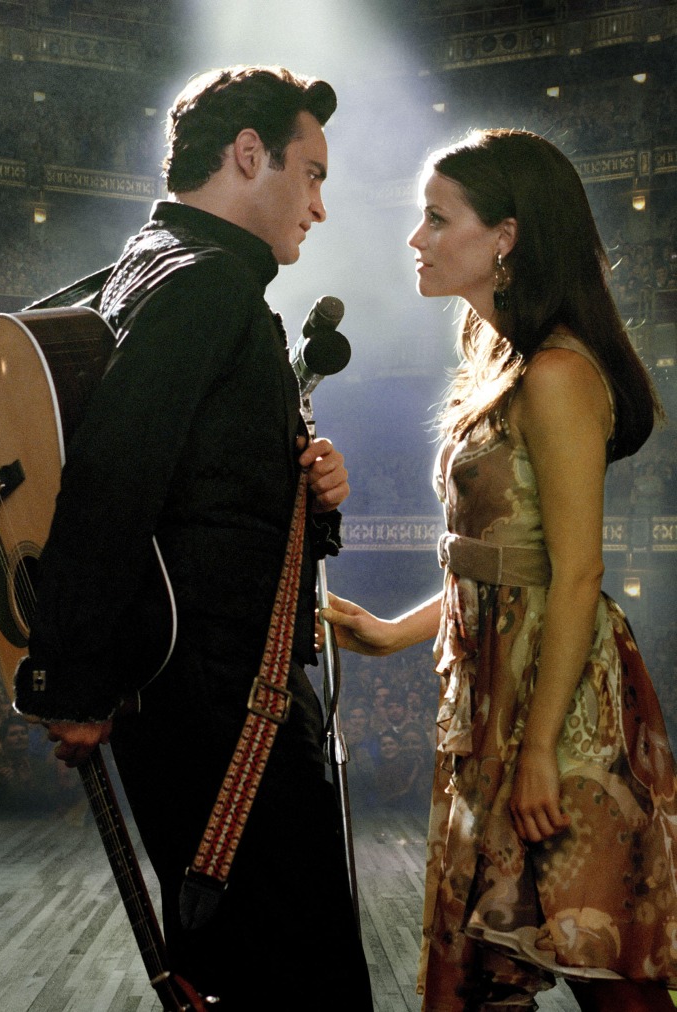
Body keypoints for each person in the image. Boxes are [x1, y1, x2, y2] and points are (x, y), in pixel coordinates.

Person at [14, 65, 372, 1011]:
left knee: (229, 968)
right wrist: (73, 680)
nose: (320, 206)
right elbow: (112, 478)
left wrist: (308, 483)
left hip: (195, 696)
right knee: (303, 980)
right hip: (227, 705)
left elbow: (198, 485)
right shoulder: (210, 284)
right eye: (312, 173)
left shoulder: (150, 264)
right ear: (249, 155)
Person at [321, 129, 676, 1011]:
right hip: (495, 706)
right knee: (487, 977)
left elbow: (577, 571)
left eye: (438, 219)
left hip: (562, 714)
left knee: (605, 969)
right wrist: (392, 630)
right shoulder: (502, 365)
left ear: (506, 237)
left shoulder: (556, 373)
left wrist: (543, 750)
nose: (417, 238)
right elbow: (501, 570)